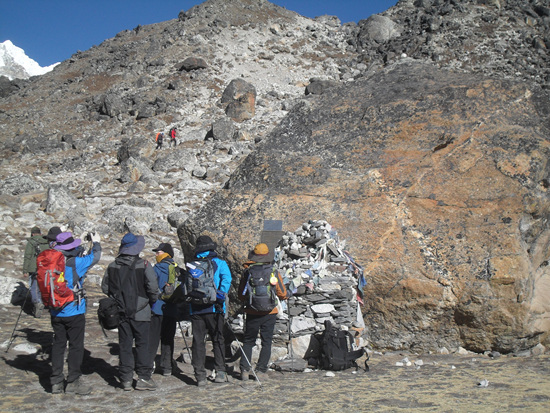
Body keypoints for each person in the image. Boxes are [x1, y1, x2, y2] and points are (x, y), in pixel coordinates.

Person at [102, 233, 158, 391]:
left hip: (120, 312)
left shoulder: (112, 266)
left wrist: (118, 298)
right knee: (143, 345)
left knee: (125, 345)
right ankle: (143, 378)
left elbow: (105, 287)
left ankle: (125, 379)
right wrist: (151, 301)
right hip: (142, 313)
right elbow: (153, 288)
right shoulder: (145, 265)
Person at [49, 231, 101, 395]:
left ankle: (56, 381)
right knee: (76, 346)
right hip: (74, 309)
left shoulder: (50, 260)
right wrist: (96, 242)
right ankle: (73, 381)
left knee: (58, 345)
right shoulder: (76, 263)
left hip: (55, 310)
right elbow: (96, 256)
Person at [238, 243, 289, 381]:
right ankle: (260, 371)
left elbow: (241, 294)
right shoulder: (273, 271)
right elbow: (282, 293)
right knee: (267, 341)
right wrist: (285, 296)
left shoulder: (248, 272)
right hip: (269, 312)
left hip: (252, 311)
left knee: (248, 341)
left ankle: (244, 370)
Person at [186, 235, 232, 386]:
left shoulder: (192, 264)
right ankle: (220, 371)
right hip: (215, 307)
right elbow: (227, 280)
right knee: (218, 339)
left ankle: (199, 376)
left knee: (198, 342)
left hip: (196, 309)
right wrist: (220, 296)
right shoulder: (219, 263)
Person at [147, 242, 179, 377]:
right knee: (168, 339)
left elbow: (150, 286)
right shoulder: (177, 269)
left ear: (165, 253)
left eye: (158, 252)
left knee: (153, 338)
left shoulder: (157, 268)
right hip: (171, 309)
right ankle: (167, 367)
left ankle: (148, 365)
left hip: (157, 308)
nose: (156, 255)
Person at [22, 226, 49, 318]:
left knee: (34, 287)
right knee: (43, 286)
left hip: (34, 268)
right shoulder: (46, 242)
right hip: (45, 269)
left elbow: (27, 257)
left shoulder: (31, 242)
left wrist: (25, 270)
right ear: (40, 233)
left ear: (32, 234)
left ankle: (37, 303)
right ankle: (43, 302)